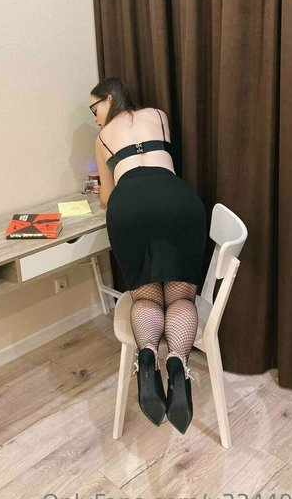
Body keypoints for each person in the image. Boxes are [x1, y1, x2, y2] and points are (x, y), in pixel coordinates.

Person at [90, 77, 207, 434]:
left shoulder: (102, 137)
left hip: (129, 206)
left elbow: (107, 197)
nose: (95, 117)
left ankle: (146, 359)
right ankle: (178, 364)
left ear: (109, 99)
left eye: (95, 108)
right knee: (180, 296)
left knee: (146, 296)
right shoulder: (158, 115)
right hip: (176, 200)